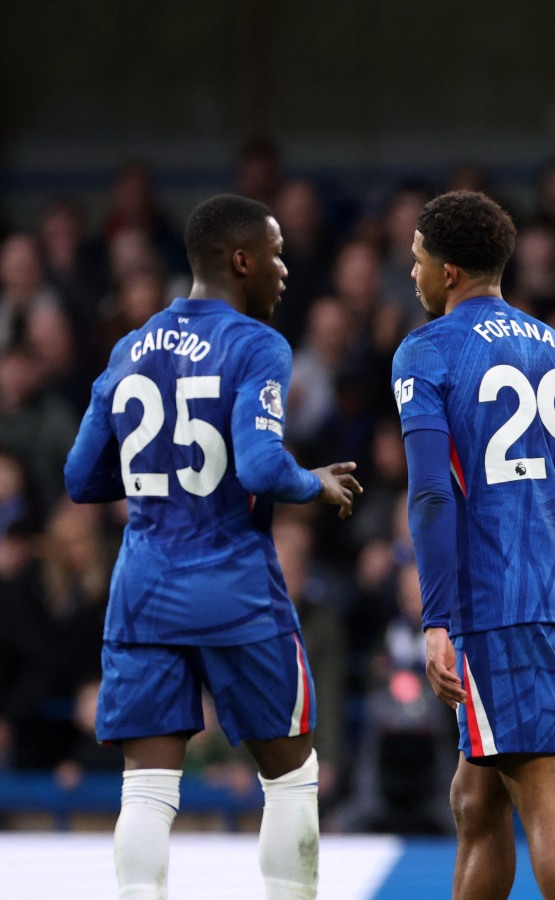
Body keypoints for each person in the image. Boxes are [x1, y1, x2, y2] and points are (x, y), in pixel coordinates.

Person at [62, 194, 362, 900]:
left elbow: (80, 477)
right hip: (235, 588)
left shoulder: (129, 346)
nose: (285, 269)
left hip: (143, 588)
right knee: (290, 775)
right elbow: (260, 466)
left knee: (147, 787)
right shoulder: (258, 344)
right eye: (277, 252)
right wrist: (313, 486)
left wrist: (154, 482)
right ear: (241, 260)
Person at [393, 191, 555, 900]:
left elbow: (430, 493)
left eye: (417, 258)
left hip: (496, 604)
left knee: (542, 798)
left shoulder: (427, 351)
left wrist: (438, 618)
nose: (410, 270)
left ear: (448, 271)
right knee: (477, 798)